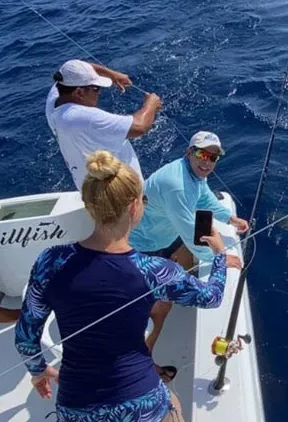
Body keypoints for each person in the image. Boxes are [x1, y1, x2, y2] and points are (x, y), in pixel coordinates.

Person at [15, 150, 231, 422]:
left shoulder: (50, 260)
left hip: (75, 408)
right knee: (172, 401)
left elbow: (25, 338)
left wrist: (37, 371)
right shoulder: (155, 271)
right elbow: (212, 297)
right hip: (142, 406)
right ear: (133, 206)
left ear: (90, 205)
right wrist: (220, 256)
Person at [130, 130, 249, 270]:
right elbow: (188, 230)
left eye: (213, 157)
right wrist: (220, 259)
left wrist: (230, 218)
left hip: (167, 231)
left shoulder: (195, 170)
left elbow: (205, 198)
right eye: (202, 154)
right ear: (189, 152)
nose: (207, 161)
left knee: (203, 220)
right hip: (148, 244)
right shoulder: (177, 186)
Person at [46, 59, 162, 189]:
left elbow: (79, 67)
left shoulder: (56, 96)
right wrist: (151, 104)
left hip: (88, 186)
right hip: (117, 190)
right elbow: (139, 127)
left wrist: (112, 74)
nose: (99, 92)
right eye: (95, 88)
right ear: (78, 92)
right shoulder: (82, 118)